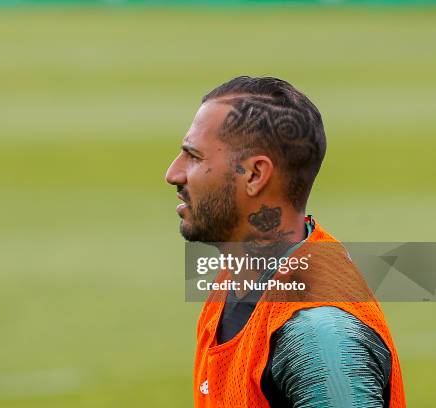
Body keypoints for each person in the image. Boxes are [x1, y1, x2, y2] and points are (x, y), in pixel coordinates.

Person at [164, 76, 405, 407]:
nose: (173, 173)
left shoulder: (317, 335)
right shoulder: (237, 275)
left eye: (193, 156)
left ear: (254, 175)